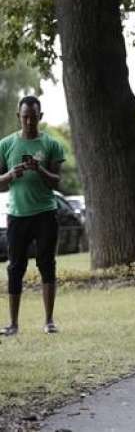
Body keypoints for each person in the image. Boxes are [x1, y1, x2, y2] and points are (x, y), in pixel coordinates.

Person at [0, 96, 65, 336]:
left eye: (34, 117)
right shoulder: (5, 145)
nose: (29, 121)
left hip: (45, 214)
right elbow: (0, 184)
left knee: (47, 265)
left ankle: (49, 321)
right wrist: (10, 175)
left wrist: (40, 169)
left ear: (41, 117)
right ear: (19, 116)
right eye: (25, 117)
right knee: (15, 268)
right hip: (17, 215)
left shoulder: (51, 145)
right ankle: (13, 324)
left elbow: (57, 182)